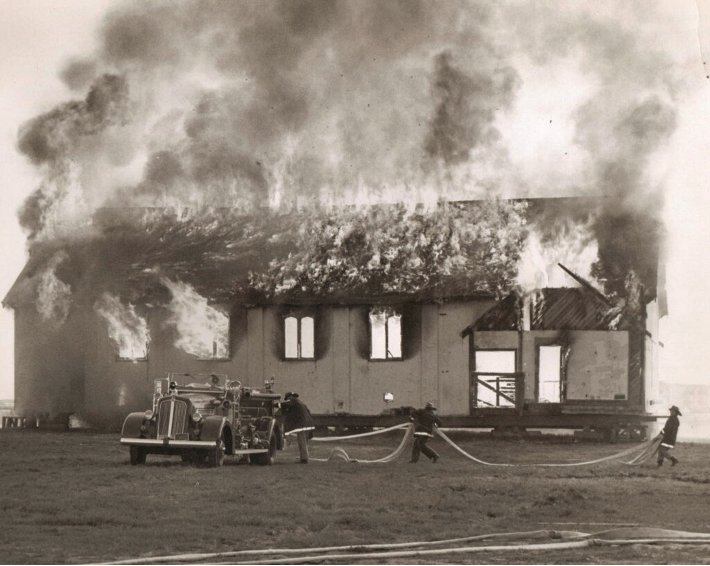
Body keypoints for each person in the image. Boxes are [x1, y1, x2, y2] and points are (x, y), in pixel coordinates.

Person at [278, 392, 315, 463]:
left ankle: (304, 459)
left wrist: (275, 404)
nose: (287, 400)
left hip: (303, 425)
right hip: (308, 423)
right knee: (304, 441)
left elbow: (284, 404)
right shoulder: (301, 403)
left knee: (302, 442)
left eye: (287, 398)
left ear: (290, 397)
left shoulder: (293, 401)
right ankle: (304, 457)